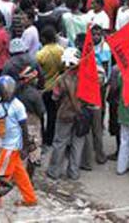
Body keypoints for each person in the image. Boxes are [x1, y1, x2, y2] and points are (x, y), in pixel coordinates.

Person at [0, 75, 37, 207]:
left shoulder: (18, 106)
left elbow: (24, 128)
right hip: (6, 143)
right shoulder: (0, 102)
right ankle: (30, 198)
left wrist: (25, 147)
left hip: (11, 146)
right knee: (19, 173)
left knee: (0, 174)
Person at [46, 48, 86, 181]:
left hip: (64, 114)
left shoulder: (60, 79)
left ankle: (54, 171)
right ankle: (74, 172)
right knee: (77, 144)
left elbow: (55, 97)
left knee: (60, 143)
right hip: (81, 115)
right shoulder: (86, 77)